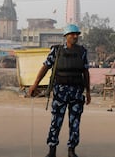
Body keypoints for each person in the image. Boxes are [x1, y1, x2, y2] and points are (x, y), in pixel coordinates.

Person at [28, 24, 91, 157]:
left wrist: (88, 92)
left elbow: (85, 72)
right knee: (56, 120)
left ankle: (71, 150)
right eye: (72, 34)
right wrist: (35, 85)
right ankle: (52, 150)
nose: (75, 36)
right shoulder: (56, 51)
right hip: (60, 92)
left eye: (77, 34)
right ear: (66, 36)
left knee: (75, 122)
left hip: (77, 92)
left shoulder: (82, 52)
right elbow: (45, 68)